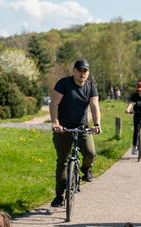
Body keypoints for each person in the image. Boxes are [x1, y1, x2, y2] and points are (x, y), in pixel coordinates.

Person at [49, 58, 101, 207]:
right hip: (63, 128)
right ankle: (59, 195)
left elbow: (94, 106)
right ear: (74, 71)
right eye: (80, 70)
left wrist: (97, 124)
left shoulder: (91, 86)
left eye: (85, 71)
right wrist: (56, 122)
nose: (82, 74)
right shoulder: (64, 83)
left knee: (90, 153)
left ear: (88, 73)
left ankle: (85, 168)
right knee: (62, 161)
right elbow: (54, 104)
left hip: (82, 126)